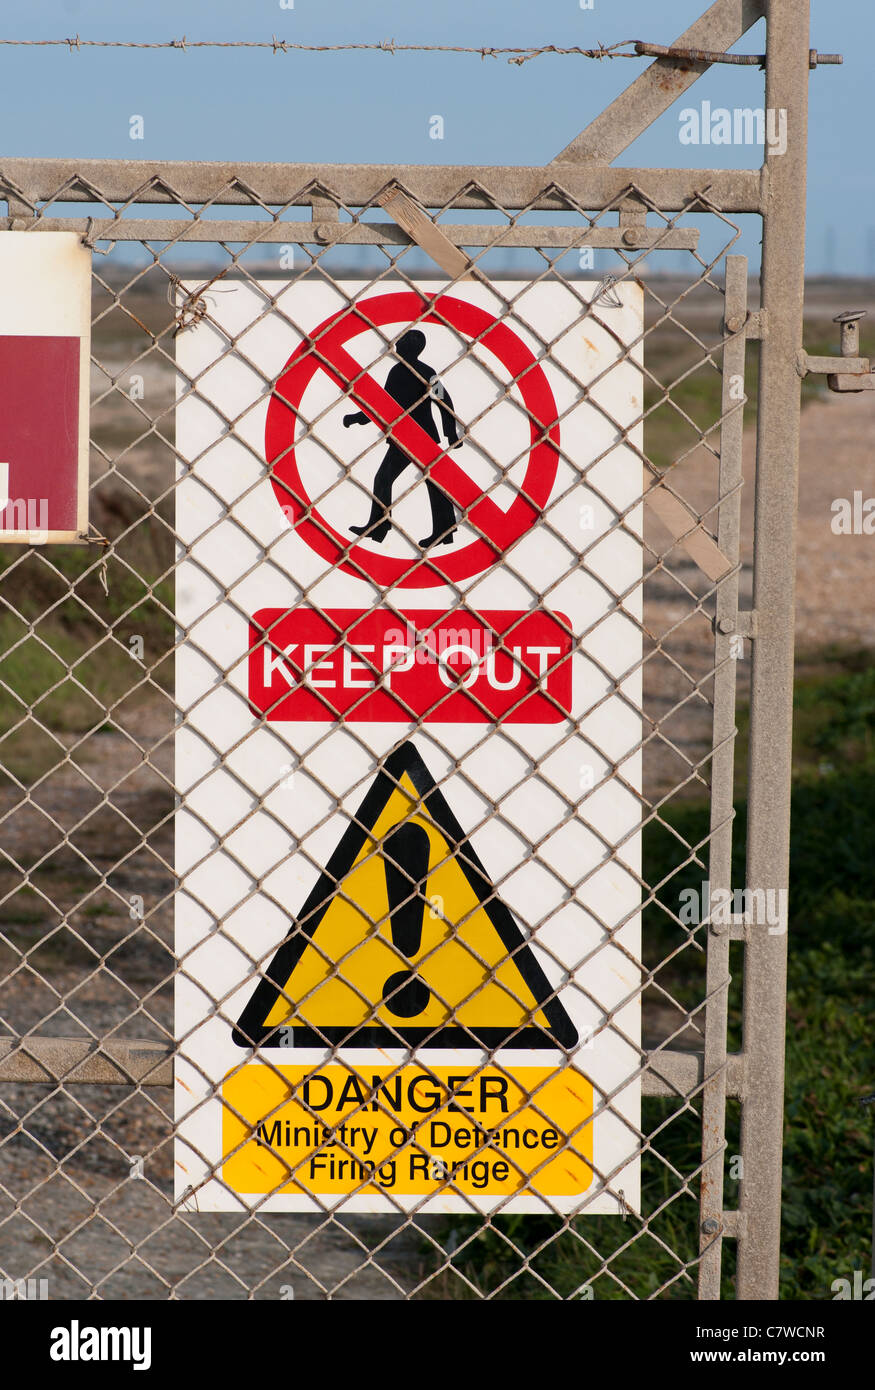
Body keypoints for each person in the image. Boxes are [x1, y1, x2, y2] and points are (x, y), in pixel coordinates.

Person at [344, 329, 462, 547]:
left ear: (410, 347)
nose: (396, 344)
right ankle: (381, 527)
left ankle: (386, 527)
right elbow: (382, 403)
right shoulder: (399, 371)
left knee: (420, 481)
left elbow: (444, 400)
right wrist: (358, 418)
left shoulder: (422, 372)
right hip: (407, 436)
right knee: (406, 480)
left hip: (420, 437)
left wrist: (451, 433)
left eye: (402, 341)